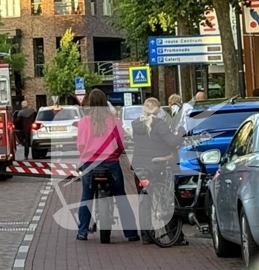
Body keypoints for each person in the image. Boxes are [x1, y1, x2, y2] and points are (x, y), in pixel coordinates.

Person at [75, 89, 138, 242]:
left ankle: (82, 232)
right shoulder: (115, 122)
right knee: (121, 196)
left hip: (90, 164)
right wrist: (115, 154)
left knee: (86, 196)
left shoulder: (83, 122)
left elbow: (80, 145)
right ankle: (131, 233)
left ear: (90, 103)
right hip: (111, 163)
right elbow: (121, 144)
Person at [131, 97, 187, 245]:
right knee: (166, 199)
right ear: (159, 109)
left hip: (139, 167)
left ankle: (146, 235)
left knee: (144, 200)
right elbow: (173, 141)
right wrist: (182, 131)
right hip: (157, 167)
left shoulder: (136, 124)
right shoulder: (159, 124)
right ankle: (175, 235)